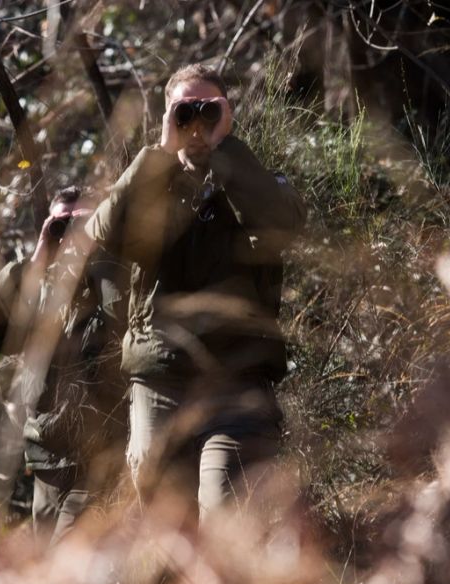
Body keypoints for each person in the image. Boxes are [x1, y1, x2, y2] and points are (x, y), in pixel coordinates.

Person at [82, 63, 307, 522]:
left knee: (226, 515)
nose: (197, 126)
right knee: (166, 535)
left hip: (237, 384)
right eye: (184, 113)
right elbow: (104, 230)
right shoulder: (149, 190)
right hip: (159, 384)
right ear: (166, 118)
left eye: (209, 111)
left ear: (228, 116)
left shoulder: (257, 185)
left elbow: (279, 225)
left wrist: (226, 148)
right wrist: (162, 150)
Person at [0, 187, 128, 544]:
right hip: (47, 468)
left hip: (100, 464)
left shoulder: (117, 281)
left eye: (82, 223)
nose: (70, 236)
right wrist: (39, 257)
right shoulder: (39, 295)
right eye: (61, 226)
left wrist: (101, 255)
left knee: (67, 560)